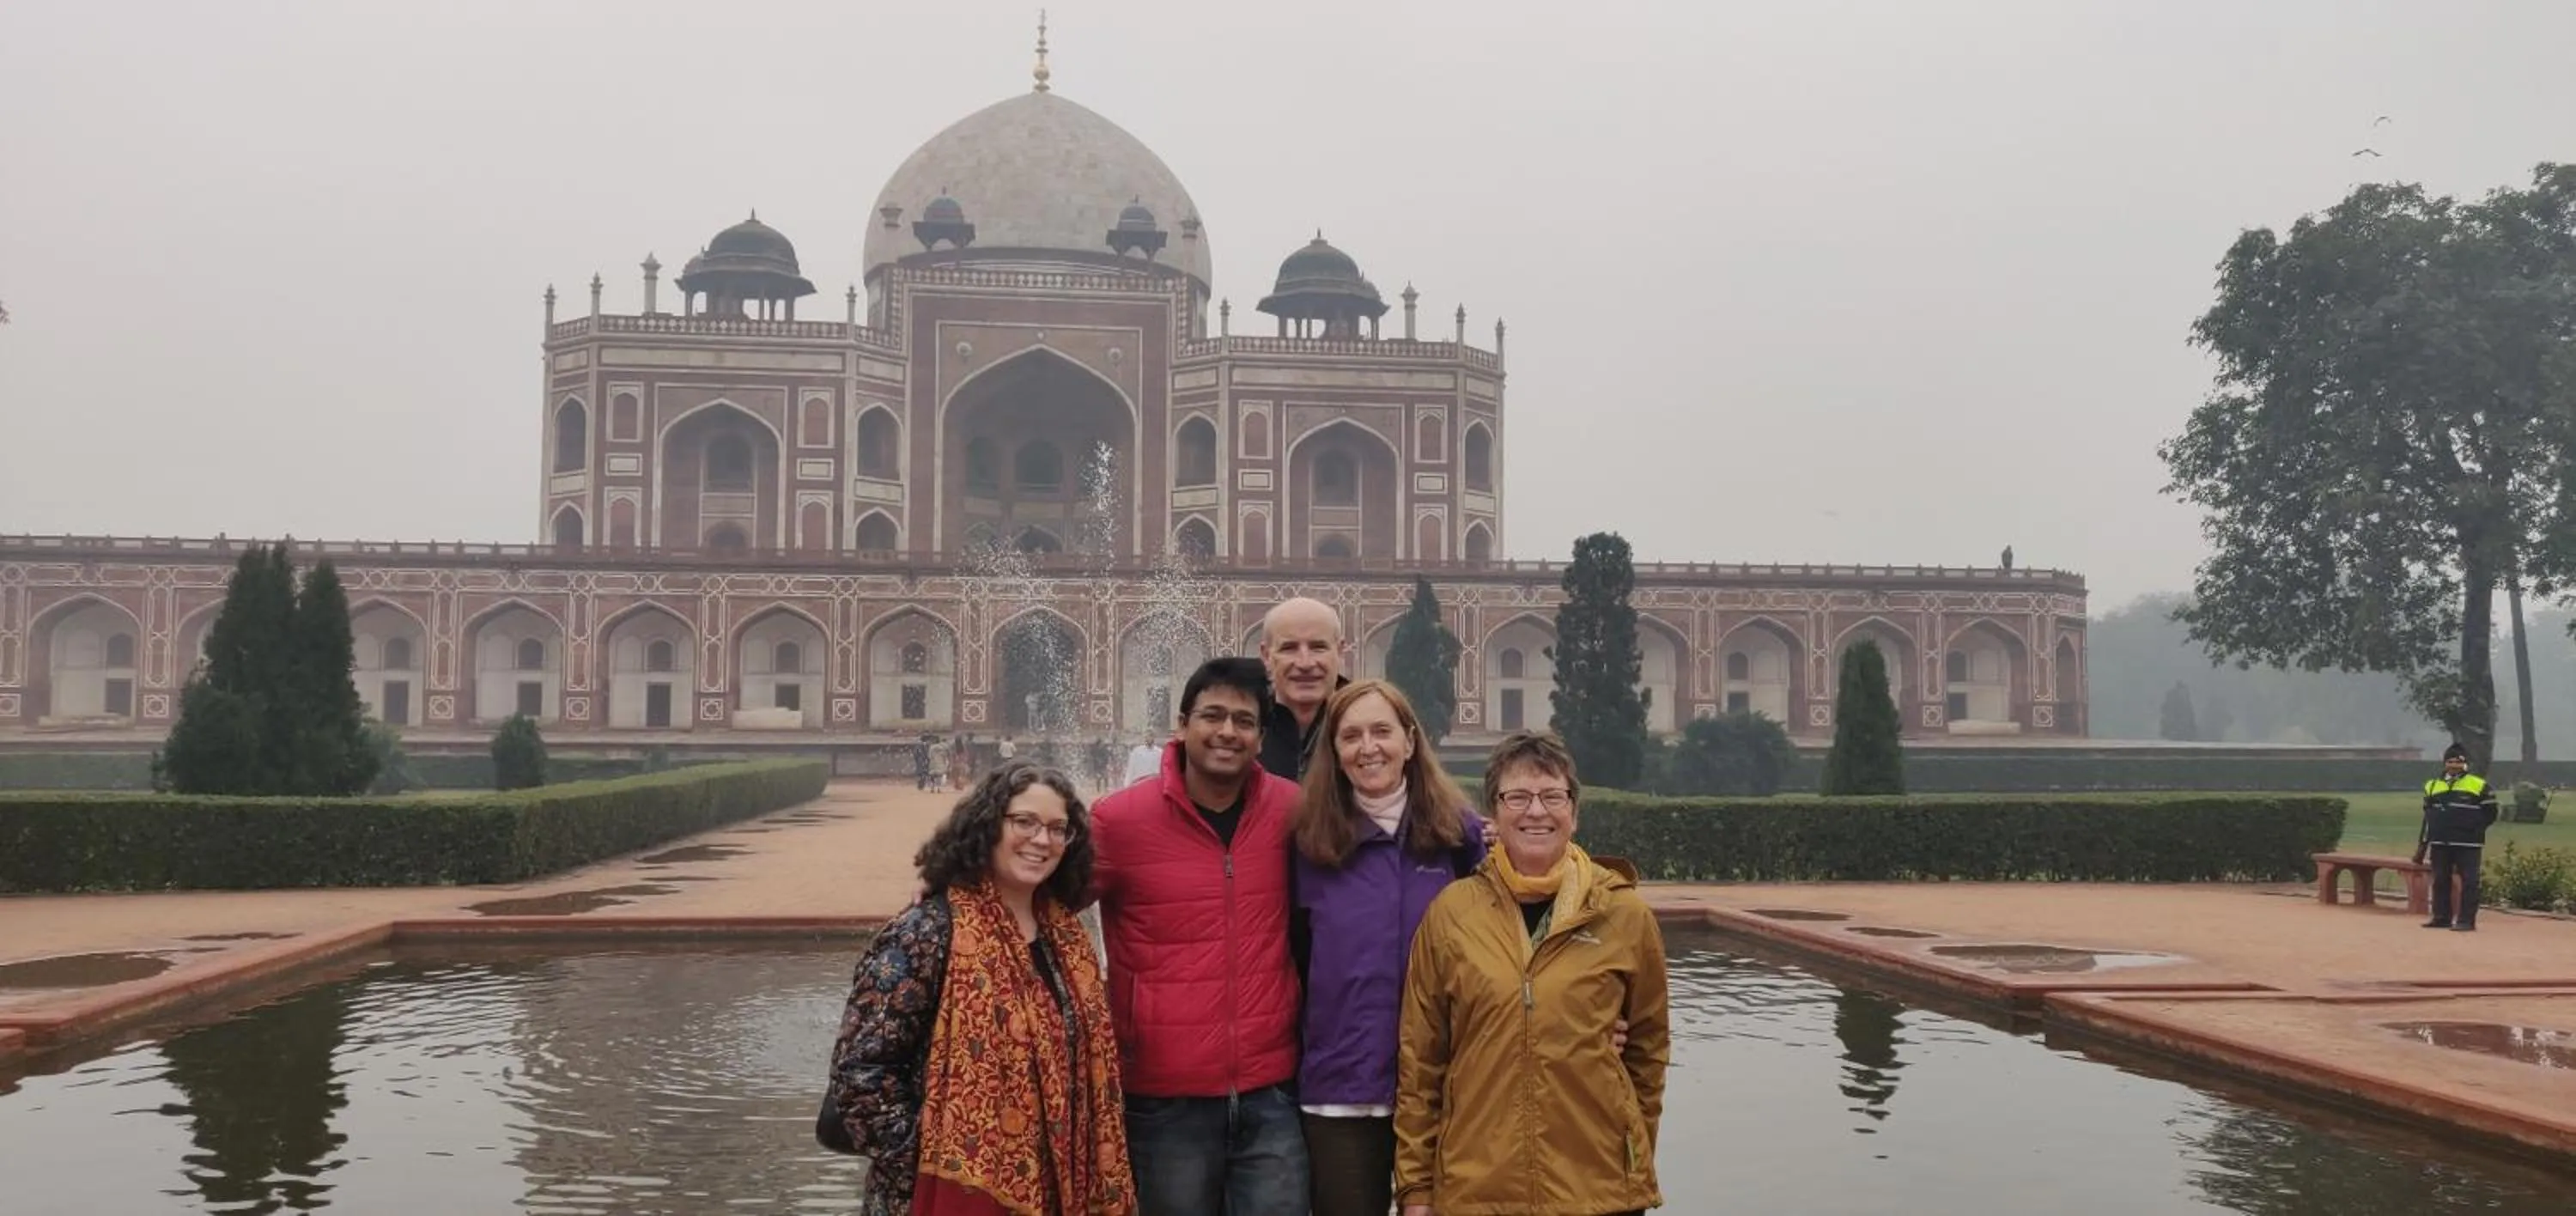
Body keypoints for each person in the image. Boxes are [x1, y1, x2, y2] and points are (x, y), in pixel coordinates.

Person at [826, 762, 1137, 1215]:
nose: (1041, 840)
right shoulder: (927, 932)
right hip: (942, 1196)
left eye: (1057, 828)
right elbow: (860, 1074)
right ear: (988, 824)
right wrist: (944, 1163)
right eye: (1024, 822)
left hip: (1055, 1190)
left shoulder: (1066, 939)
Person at [1395, 730, 1669, 1216]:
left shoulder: (1623, 914)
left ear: (1575, 810)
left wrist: (1631, 1153)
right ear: (1494, 814)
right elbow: (1422, 1063)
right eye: (1517, 797)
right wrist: (1415, 1189)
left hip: (1596, 1189)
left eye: (1552, 796)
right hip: (1478, 1187)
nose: (1536, 811)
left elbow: (1648, 1054)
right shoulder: (1452, 914)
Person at [1087, 657, 1309, 1216]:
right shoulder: (1119, 822)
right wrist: (953, 885)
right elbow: (1040, 897)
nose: (1227, 731)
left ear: (1261, 738)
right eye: (1212, 715)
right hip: (1164, 1096)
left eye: (1243, 720)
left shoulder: (1292, 810)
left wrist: (1470, 838)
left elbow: (1378, 852)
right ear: (1182, 724)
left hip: (1270, 1088)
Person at [1290, 679, 1485, 1216]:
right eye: (1350, 736)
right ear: (1334, 751)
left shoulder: (1457, 835)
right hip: (1342, 1085)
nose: (1367, 747)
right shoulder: (1309, 839)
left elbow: (1505, 948)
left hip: (1447, 1083)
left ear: (1411, 740)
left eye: (1382, 731)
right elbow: (1292, 953)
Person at [1257, 597, 1350, 780]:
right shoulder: (1243, 732)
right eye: (1289, 648)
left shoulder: (1368, 728)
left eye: (1318, 647)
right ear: (1266, 655)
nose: (1305, 663)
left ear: (1340, 652)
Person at [2415, 742, 2500, 932]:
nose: (2454, 765)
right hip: (2440, 841)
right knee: (2440, 880)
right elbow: (2428, 813)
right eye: (2450, 761)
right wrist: (2425, 841)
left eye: (2458, 762)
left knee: (2470, 881)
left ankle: (2466, 920)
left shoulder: (2479, 785)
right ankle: (2441, 917)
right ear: (2445, 763)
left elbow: (2491, 812)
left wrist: (2474, 829)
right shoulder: (2432, 786)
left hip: (2468, 843)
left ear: (2465, 764)